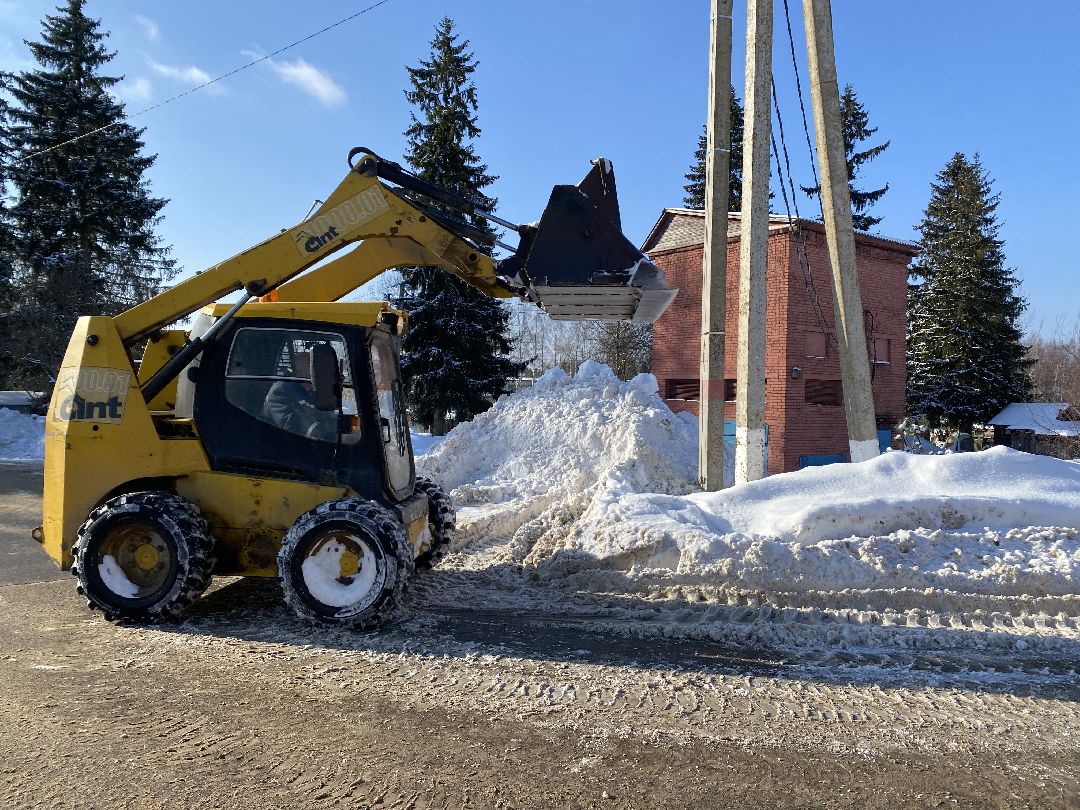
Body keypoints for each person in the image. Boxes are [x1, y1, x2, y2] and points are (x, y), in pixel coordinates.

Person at [261, 352, 337, 441]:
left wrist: (346, 427)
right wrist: (334, 437)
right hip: (281, 446)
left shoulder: (312, 391)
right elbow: (294, 425)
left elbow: (325, 416)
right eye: (310, 360)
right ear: (299, 367)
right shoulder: (280, 390)